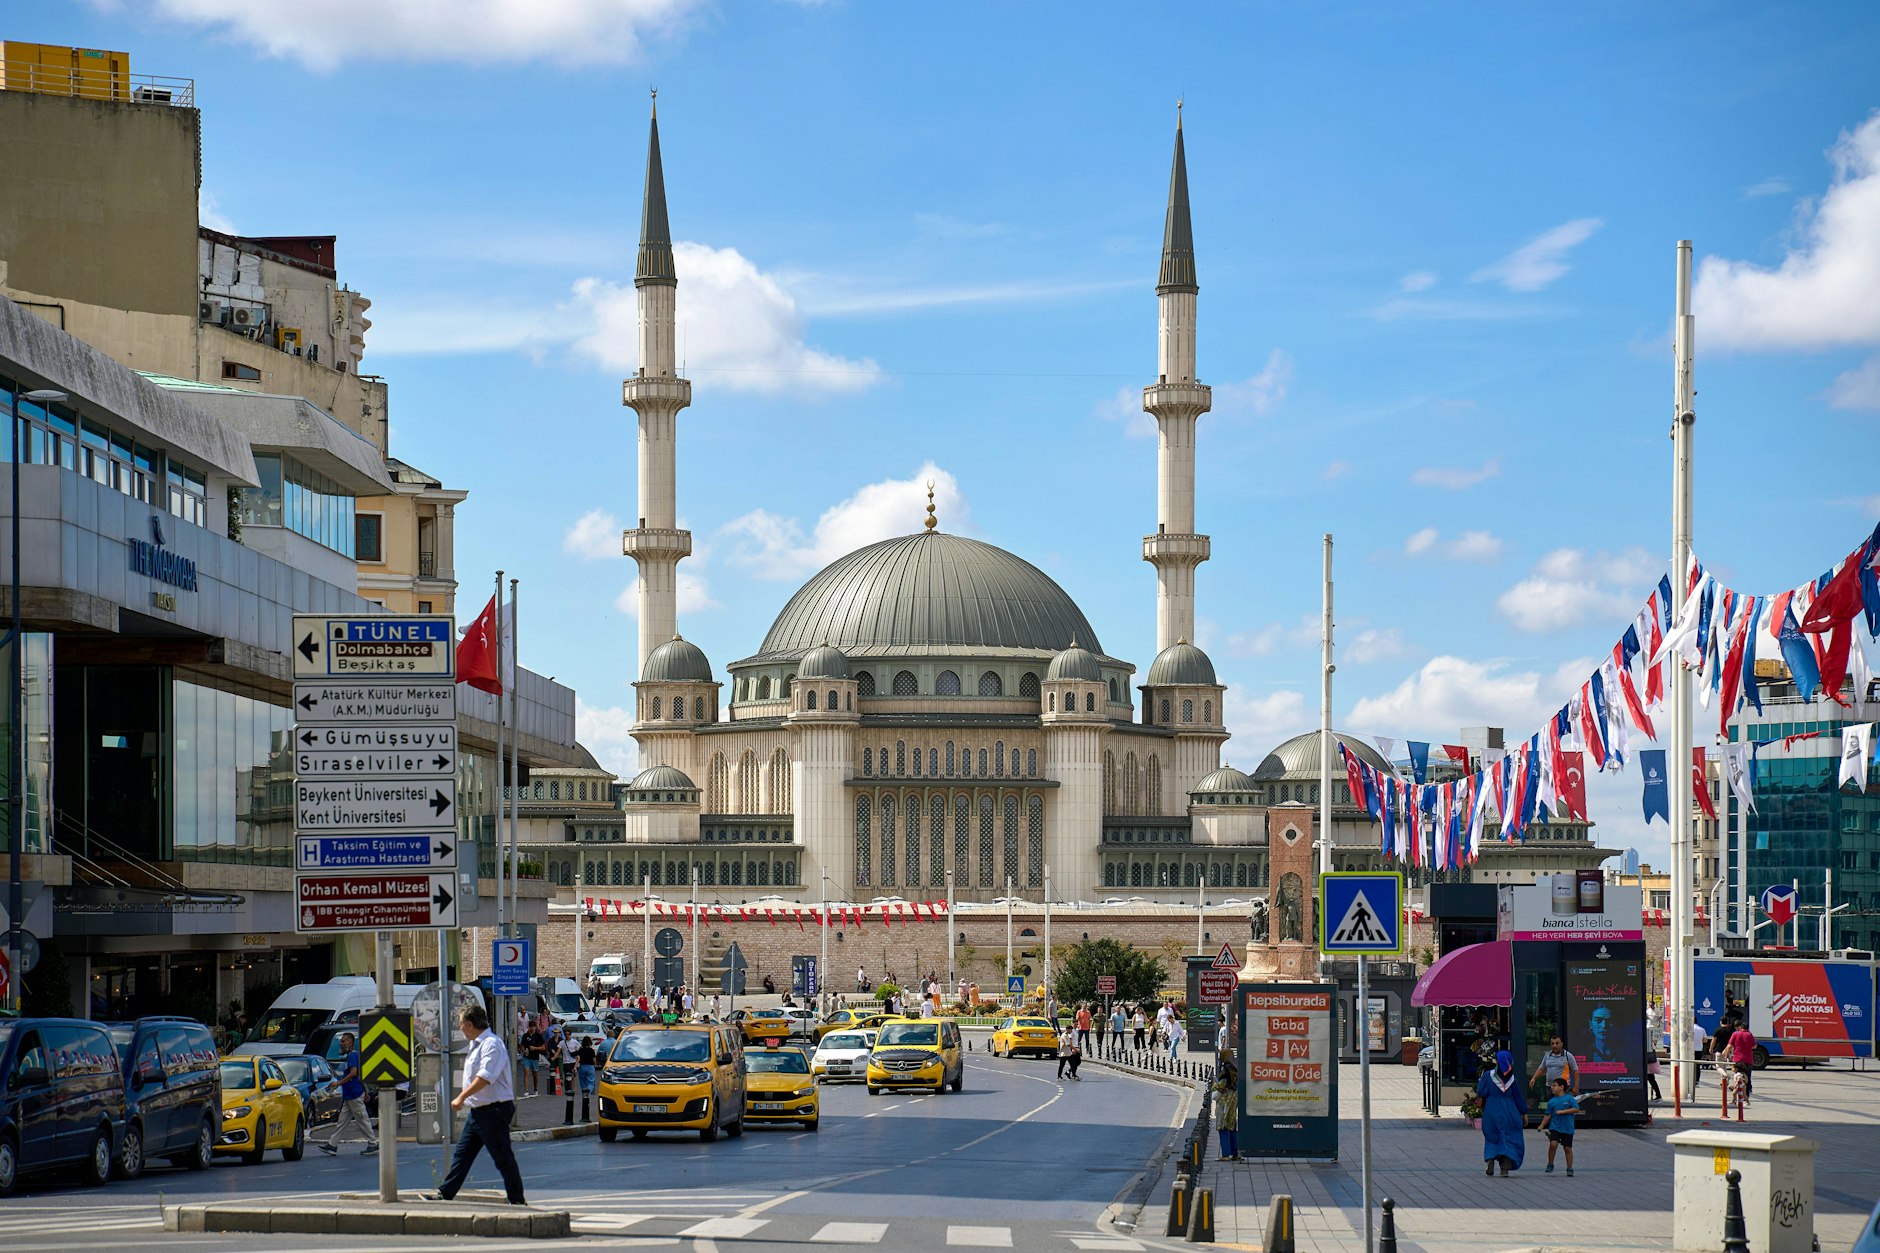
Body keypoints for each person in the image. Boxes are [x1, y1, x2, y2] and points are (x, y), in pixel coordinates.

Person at [437, 1004, 526, 1206]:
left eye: (460, 1024)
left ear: (469, 1024)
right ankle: (445, 1193)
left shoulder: (491, 1044)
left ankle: (517, 1200)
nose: (459, 1028)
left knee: (502, 1157)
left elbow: (485, 1078)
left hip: (494, 1110)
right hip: (479, 1111)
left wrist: (461, 1097)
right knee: (463, 1154)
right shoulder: (477, 1044)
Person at [316, 1031, 376, 1156]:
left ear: (350, 1042)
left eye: (343, 1041)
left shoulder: (352, 1056)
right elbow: (360, 1075)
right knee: (342, 1121)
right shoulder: (351, 1056)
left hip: (354, 1094)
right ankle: (332, 1145)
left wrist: (338, 1083)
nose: (341, 1044)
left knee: (362, 1119)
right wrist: (365, 1091)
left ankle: (373, 1144)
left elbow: (354, 1073)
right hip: (350, 1095)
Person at [1477, 1050, 1528, 1177]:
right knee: (1508, 1137)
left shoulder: (1488, 1076)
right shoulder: (1512, 1079)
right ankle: (1504, 1168)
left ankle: (1490, 1157)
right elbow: (1518, 1097)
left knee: (1492, 1136)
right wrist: (1524, 1113)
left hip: (1492, 1110)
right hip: (1510, 1111)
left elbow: (1481, 1092)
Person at [1538, 1078, 1582, 1176]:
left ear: (1561, 1087)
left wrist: (1564, 1112)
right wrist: (1541, 1125)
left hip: (1567, 1128)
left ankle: (1569, 1168)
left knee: (1567, 1149)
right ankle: (1550, 1164)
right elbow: (1548, 1115)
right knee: (1553, 1144)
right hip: (1555, 1127)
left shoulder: (1570, 1099)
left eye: (1554, 1085)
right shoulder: (1552, 1102)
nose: (1552, 1088)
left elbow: (1576, 1109)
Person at [1213, 1066, 1240, 1161]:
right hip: (1232, 1107)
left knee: (1223, 1129)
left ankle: (1226, 1154)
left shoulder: (1223, 1080)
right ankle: (1235, 1153)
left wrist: (1215, 1082)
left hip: (1223, 1107)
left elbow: (1214, 1091)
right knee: (1232, 1129)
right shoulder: (1235, 1080)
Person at [1727, 1020, 1757, 1097]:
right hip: (1748, 1059)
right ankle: (1746, 1095)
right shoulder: (1749, 1034)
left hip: (1738, 1059)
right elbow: (1754, 1046)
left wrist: (1727, 1055)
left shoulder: (1735, 1034)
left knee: (1738, 1077)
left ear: (1740, 1027)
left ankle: (1736, 1095)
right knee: (1747, 1077)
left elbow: (1729, 1046)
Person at [575, 1036, 598, 1124]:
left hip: (582, 1067)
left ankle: (584, 1093)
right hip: (590, 1067)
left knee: (582, 1082)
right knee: (591, 1082)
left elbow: (578, 1058)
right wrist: (595, 1065)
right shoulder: (592, 1050)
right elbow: (594, 1060)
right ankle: (587, 1093)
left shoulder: (580, 1050)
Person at [518, 1021, 544, 1096]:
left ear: (535, 1027)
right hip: (527, 1057)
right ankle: (526, 1090)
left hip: (535, 1057)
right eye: (531, 1027)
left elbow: (543, 1047)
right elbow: (522, 1045)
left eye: (533, 1027)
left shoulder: (538, 1036)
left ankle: (535, 1088)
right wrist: (523, 1050)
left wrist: (535, 1048)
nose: (532, 1028)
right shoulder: (525, 1035)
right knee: (526, 1071)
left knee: (535, 1074)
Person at [1690, 1017, 1712, 1092]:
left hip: (1690, 1049)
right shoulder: (1701, 1029)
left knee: (1689, 1065)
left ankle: (1689, 1080)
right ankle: (1697, 1081)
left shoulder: (1689, 1029)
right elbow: (1705, 1040)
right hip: (1699, 1049)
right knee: (1697, 1066)